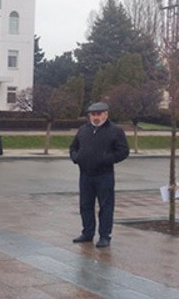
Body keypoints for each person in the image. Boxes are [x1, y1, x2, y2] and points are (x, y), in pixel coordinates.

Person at [69, 102, 129, 248]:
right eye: (93, 114)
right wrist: (76, 157)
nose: (95, 117)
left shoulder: (115, 131)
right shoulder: (83, 130)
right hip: (85, 175)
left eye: (98, 114)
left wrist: (106, 159)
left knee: (106, 206)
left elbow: (123, 151)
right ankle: (87, 232)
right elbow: (73, 147)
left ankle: (104, 236)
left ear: (106, 114)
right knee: (85, 205)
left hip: (104, 175)